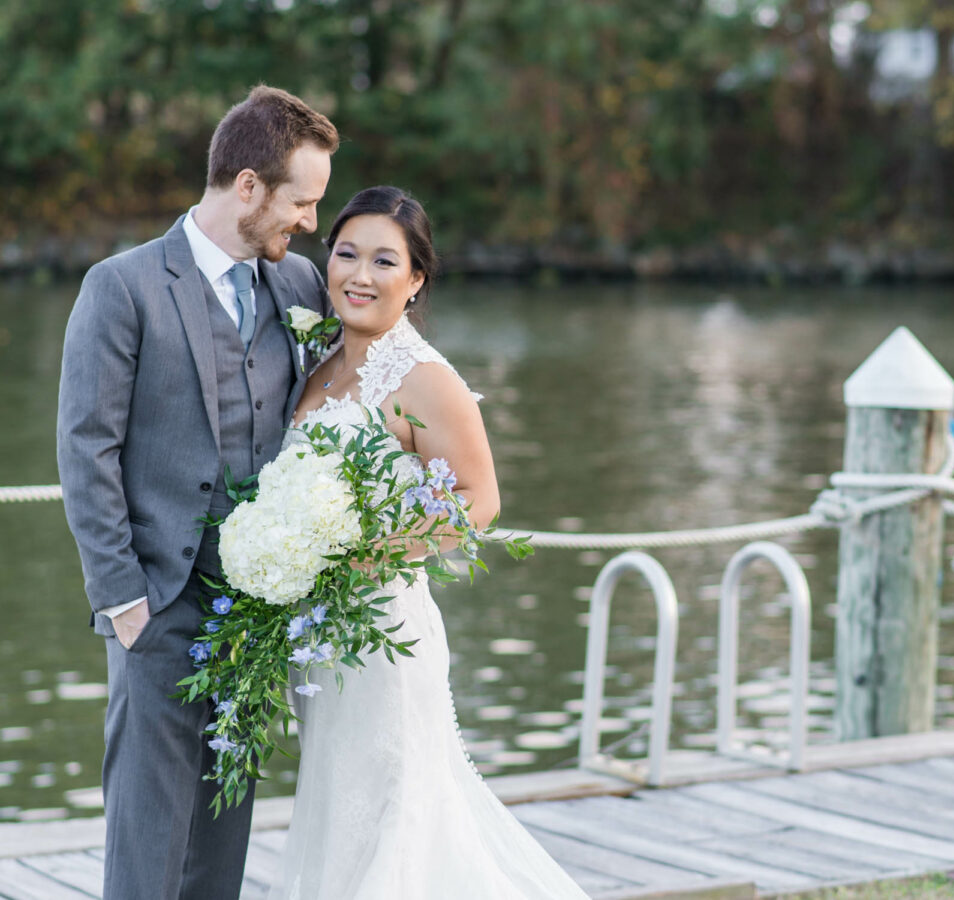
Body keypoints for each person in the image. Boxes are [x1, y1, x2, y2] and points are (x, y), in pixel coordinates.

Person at [56, 85, 339, 899]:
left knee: (226, 830)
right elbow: (87, 450)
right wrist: (122, 601)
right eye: (302, 202)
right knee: (147, 842)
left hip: (254, 608)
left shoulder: (298, 288)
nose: (311, 224)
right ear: (247, 185)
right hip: (155, 602)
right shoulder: (123, 286)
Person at [269, 186, 589, 899]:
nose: (360, 274)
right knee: (338, 810)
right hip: (321, 638)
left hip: (382, 632)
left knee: (397, 810)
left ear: (415, 281)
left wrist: (378, 553)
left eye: (385, 260)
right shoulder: (318, 363)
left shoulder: (423, 377)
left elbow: (480, 499)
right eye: (346, 253)